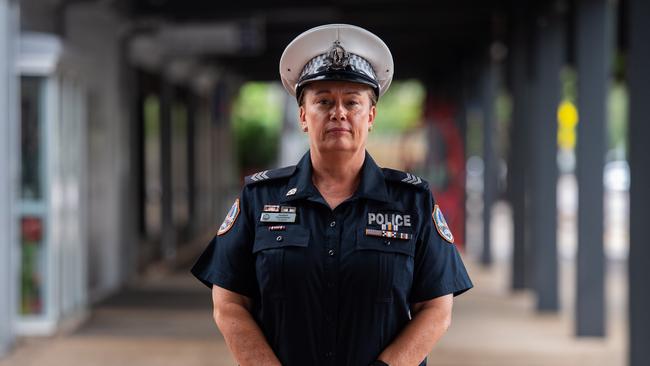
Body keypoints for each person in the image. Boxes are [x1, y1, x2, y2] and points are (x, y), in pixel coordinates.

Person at [191, 24, 473, 366]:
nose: (338, 112)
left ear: (370, 116)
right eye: (323, 100)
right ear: (303, 116)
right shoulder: (259, 198)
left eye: (352, 102)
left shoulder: (412, 202)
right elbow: (229, 304)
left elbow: (436, 309)